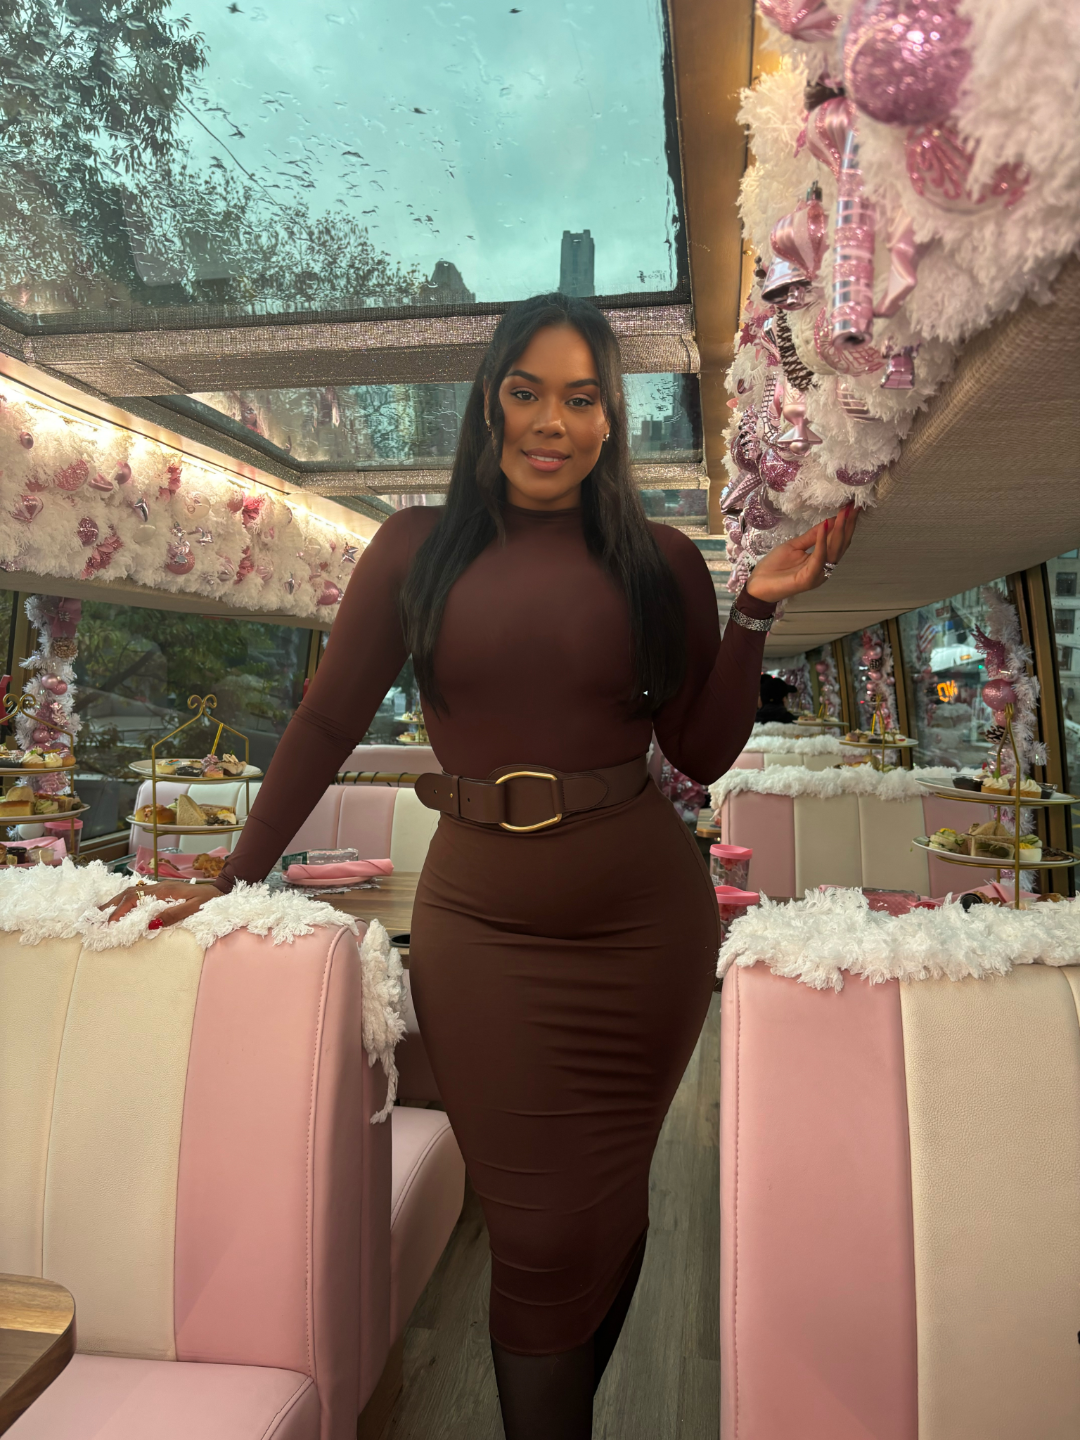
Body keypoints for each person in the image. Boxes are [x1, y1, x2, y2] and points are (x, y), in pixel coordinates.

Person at [106, 294, 857, 1439]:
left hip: (646, 930)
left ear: (610, 420)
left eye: (582, 398)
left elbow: (700, 751)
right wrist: (232, 876)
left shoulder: (658, 560)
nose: (552, 421)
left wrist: (752, 607)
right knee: (538, 1233)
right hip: (484, 933)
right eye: (527, 391)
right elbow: (325, 722)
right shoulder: (415, 549)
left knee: (608, 1204)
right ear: (489, 404)